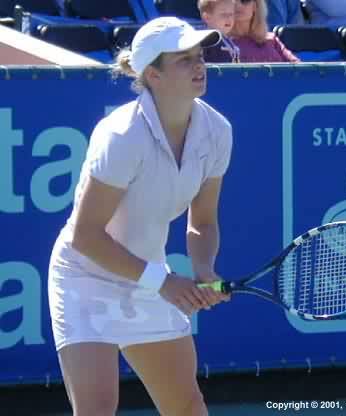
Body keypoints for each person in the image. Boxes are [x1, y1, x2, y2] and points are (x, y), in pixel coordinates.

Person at [48, 16, 233, 416]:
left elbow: (202, 221)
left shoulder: (217, 131)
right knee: (96, 409)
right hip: (85, 278)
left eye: (199, 56)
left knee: (186, 406)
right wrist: (163, 282)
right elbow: (86, 236)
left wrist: (204, 268)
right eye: (184, 60)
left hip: (150, 277)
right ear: (153, 74)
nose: (200, 65)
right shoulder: (121, 135)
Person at [230, 0, 300, 63]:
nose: (237, 4)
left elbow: (298, 68)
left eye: (245, 0)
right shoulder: (221, 43)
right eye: (232, 1)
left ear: (255, 6)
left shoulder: (272, 39)